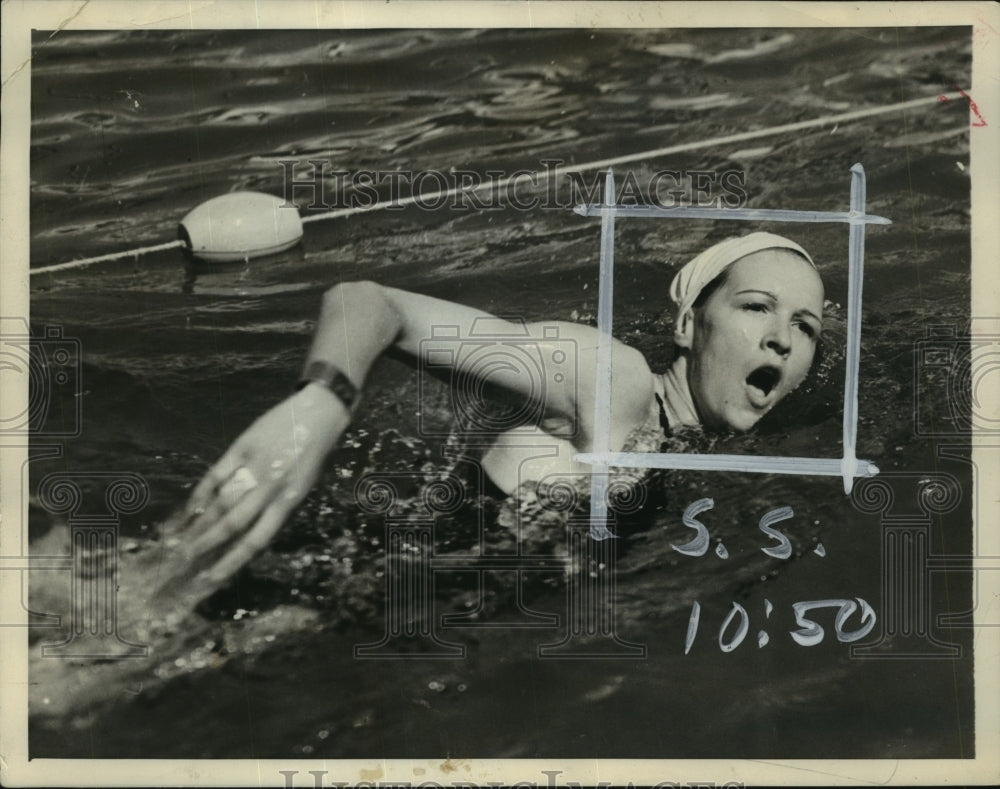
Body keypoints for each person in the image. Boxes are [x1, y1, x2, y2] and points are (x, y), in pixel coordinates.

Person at [180, 231, 824, 584]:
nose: (782, 339)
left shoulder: (700, 450)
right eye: (757, 306)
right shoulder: (612, 379)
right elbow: (371, 302)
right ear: (687, 325)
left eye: (806, 327)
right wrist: (321, 403)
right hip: (300, 582)